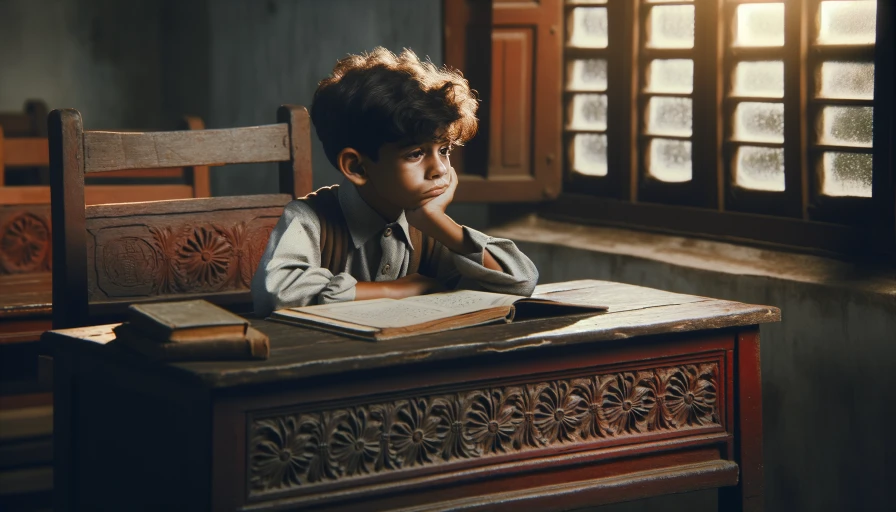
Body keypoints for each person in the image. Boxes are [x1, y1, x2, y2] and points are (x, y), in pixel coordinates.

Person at [251, 47, 538, 316]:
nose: (439, 169)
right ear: (357, 167)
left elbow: (519, 282)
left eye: (444, 150)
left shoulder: (426, 225)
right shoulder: (309, 220)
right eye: (416, 154)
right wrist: (394, 290)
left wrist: (439, 224)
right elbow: (276, 292)